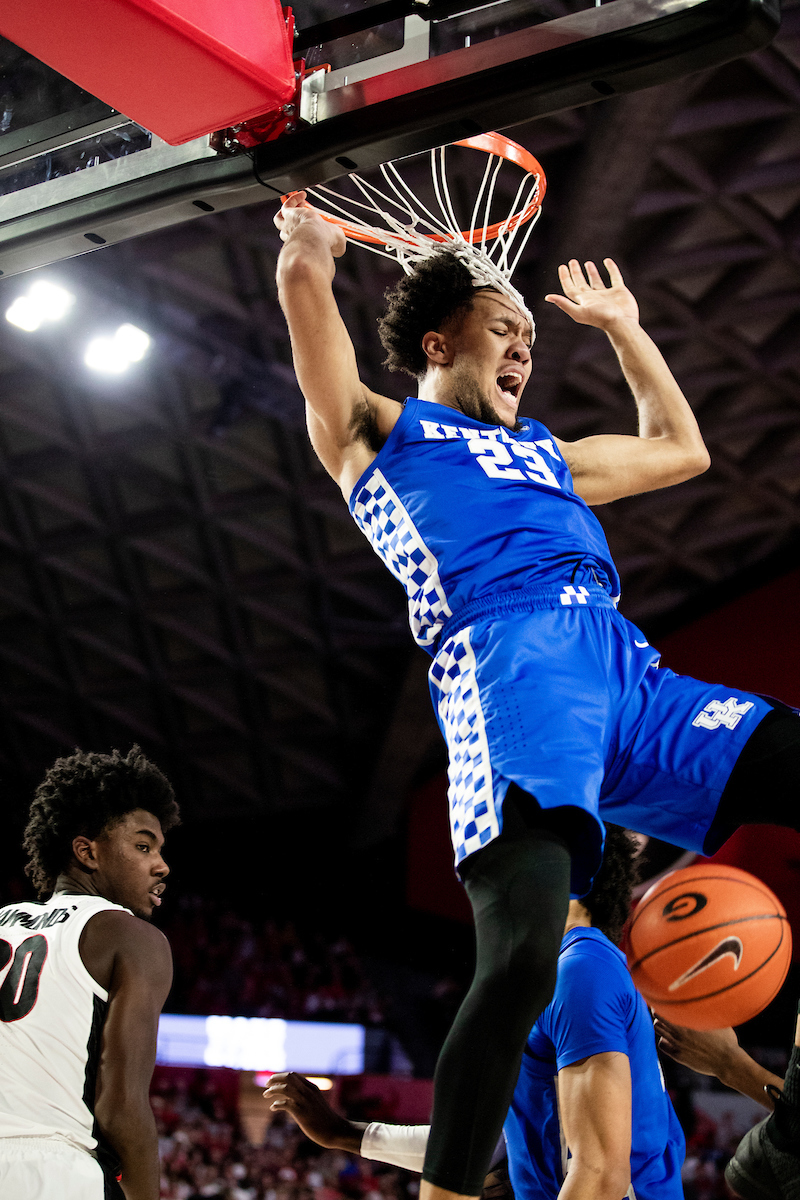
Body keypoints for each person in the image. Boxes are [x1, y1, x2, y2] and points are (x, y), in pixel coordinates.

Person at [274, 187, 800, 1200]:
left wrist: (624, 329)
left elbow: (680, 450)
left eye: (529, 335)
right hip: (514, 672)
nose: (523, 345)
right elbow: (306, 299)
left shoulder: (547, 454)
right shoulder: (378, 430)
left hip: (625, 671)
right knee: (522, 964)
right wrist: (307, 244)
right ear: (438, 341)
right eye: (503, 328)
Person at [264, 827, 685, 1200]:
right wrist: (347, 1134)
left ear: (572, 874)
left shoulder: (581, 971)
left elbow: (601, 1176)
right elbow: (498, 1144)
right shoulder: (558, 972)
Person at [0, 745, 180, 1200]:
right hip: (51, 1168)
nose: (161, 865)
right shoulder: (132, 936)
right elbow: (120, 1107)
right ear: (88, 852)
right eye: (143, 846)